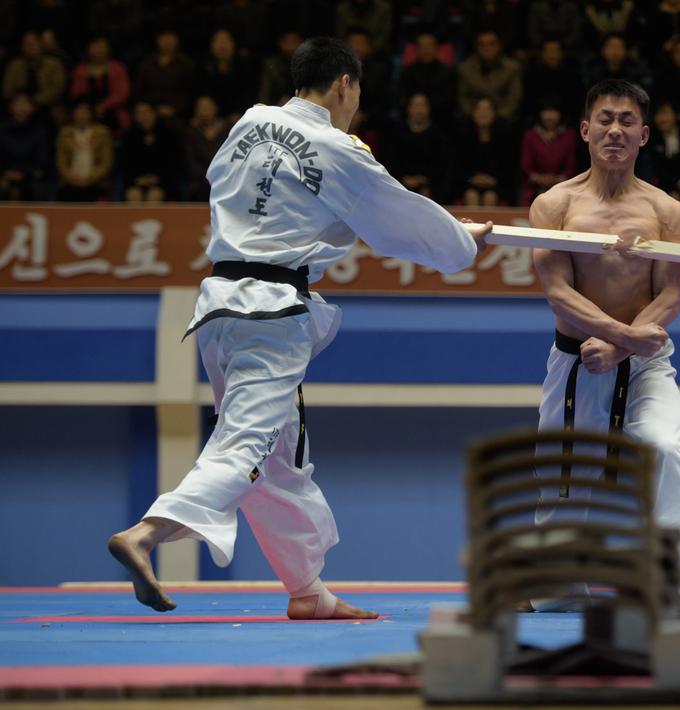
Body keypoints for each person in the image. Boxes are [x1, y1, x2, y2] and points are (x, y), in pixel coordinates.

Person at [107, 37, 489, 619]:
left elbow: (233, 187)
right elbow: (396, 216)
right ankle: (148, 533)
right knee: (248, 440)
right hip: (271, 312)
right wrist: (461, 242)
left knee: (278, 459)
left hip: (217, 307)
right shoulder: (338, 148)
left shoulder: (250, 123)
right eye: (357, 93)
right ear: (344, 84)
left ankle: (308, 592)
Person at [529, 79, 680, 605]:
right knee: (564, 471)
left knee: (665, 448)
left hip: (645, 365)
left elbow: (671, 297)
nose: (616, 129)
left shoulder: (667, 212)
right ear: (586, 130)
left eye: (628, 121)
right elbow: (559, 293)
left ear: (644, 136)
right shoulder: (554, 205)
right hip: (575, 363)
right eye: (607, 119)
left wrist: (622, 347)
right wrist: (616, 335)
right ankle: (556, 585)